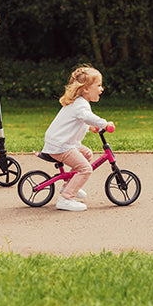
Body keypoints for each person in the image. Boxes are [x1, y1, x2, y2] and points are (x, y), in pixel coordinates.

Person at [41, 66, 113, 212]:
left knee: (87, 154)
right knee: (86, 169)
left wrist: (90, 127)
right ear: (85, 88)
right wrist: (104, 124)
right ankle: (66, 199)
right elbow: (86, 117)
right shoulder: (80, 105)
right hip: (60, 146)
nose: (101, 89)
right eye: (98, 85)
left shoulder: (80, 103)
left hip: (63, 143)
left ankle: (69, 185)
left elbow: (76, 122)